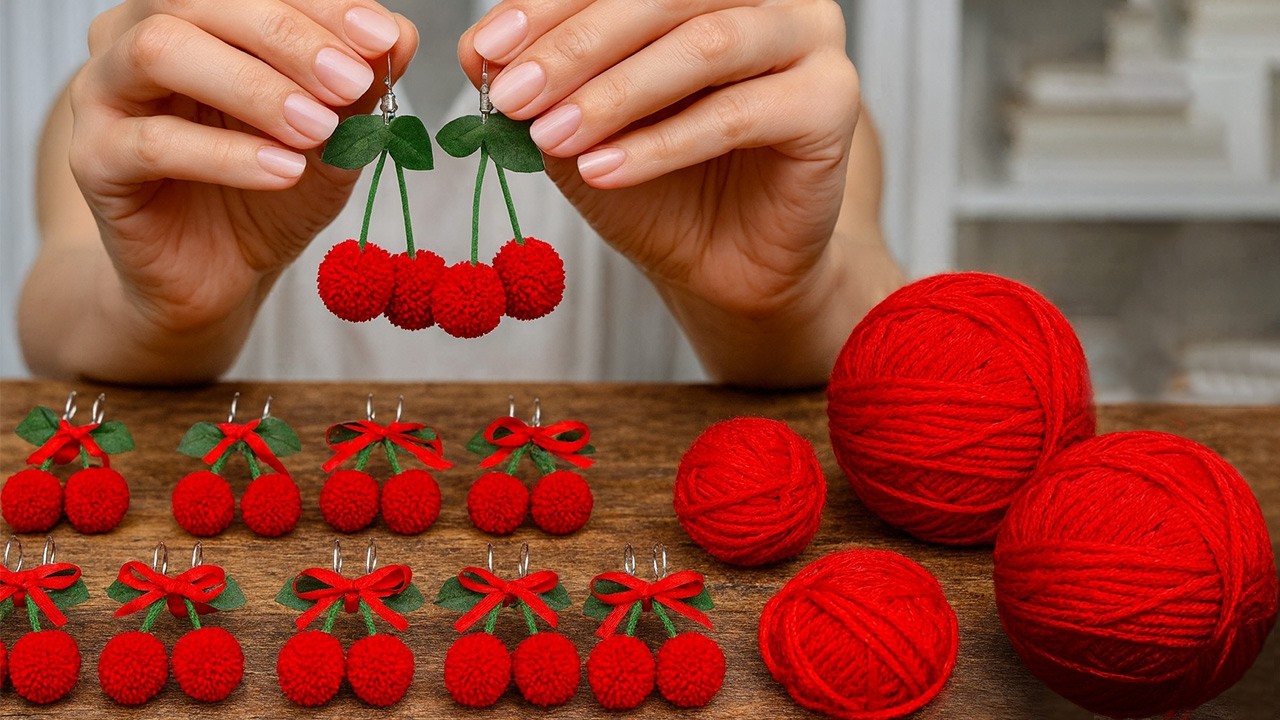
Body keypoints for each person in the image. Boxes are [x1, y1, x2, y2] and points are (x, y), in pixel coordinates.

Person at [20, 0, 902, 389]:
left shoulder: (744, 65)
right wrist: (165, 310)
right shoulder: (161, 77)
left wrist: (774, 302)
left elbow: (867, 299)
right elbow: (56, 314)